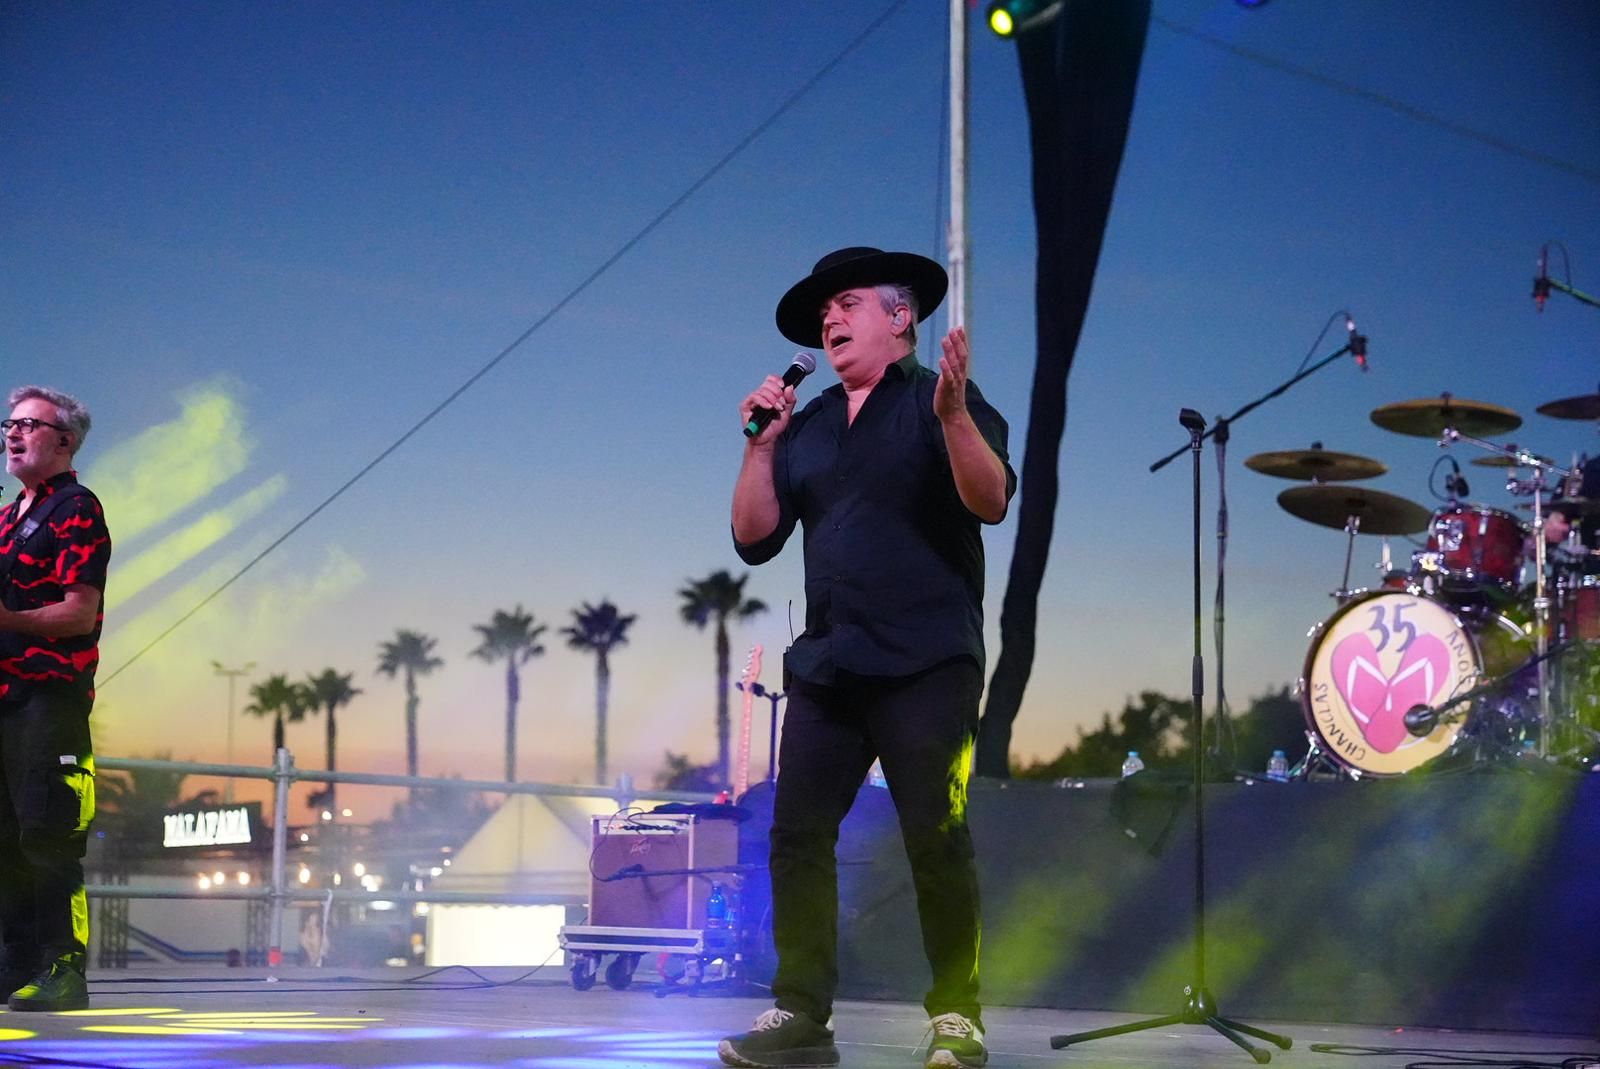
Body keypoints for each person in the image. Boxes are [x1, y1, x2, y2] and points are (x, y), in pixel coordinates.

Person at [721, 248, 1014, 1069]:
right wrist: (758, 447)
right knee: (797, 836)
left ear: (901, 317)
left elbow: (990, 499)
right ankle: (802, 1014)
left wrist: (955, 418)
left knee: (936, 833)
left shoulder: (941, 399)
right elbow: (752, 537)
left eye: (846, 303)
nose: (830, 319)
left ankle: (956, 1014)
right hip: (829, 664)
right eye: (824, 313)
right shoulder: (807, 422)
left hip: (928, 659)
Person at [0, 386, 111, 1012]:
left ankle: (63, 969)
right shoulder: (6, 515)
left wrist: (7, 621)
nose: (11, 434)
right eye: (8, 424)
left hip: (49, 698)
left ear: (62, 440)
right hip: (5, 698)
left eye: (27, 425)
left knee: (47, 835)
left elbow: (78, 613)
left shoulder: (77, 509)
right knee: (4, 839)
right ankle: (13, 964)